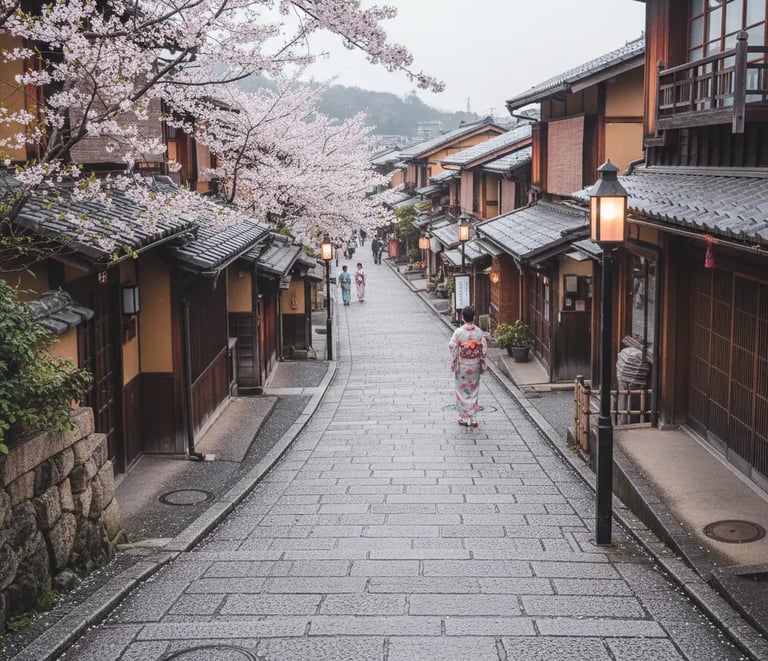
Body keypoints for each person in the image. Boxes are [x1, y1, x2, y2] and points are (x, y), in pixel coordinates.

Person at [448, 306, 487, 427]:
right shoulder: (479, 332)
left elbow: (452, 345)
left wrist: (461, 349)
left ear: (463, 317)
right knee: (473, 390)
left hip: (462, 365)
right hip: (474, 365)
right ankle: (472, 418)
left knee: (462, 390)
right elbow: (484, 349)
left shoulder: (458, 332)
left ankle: (464, 417)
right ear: (473, 317)